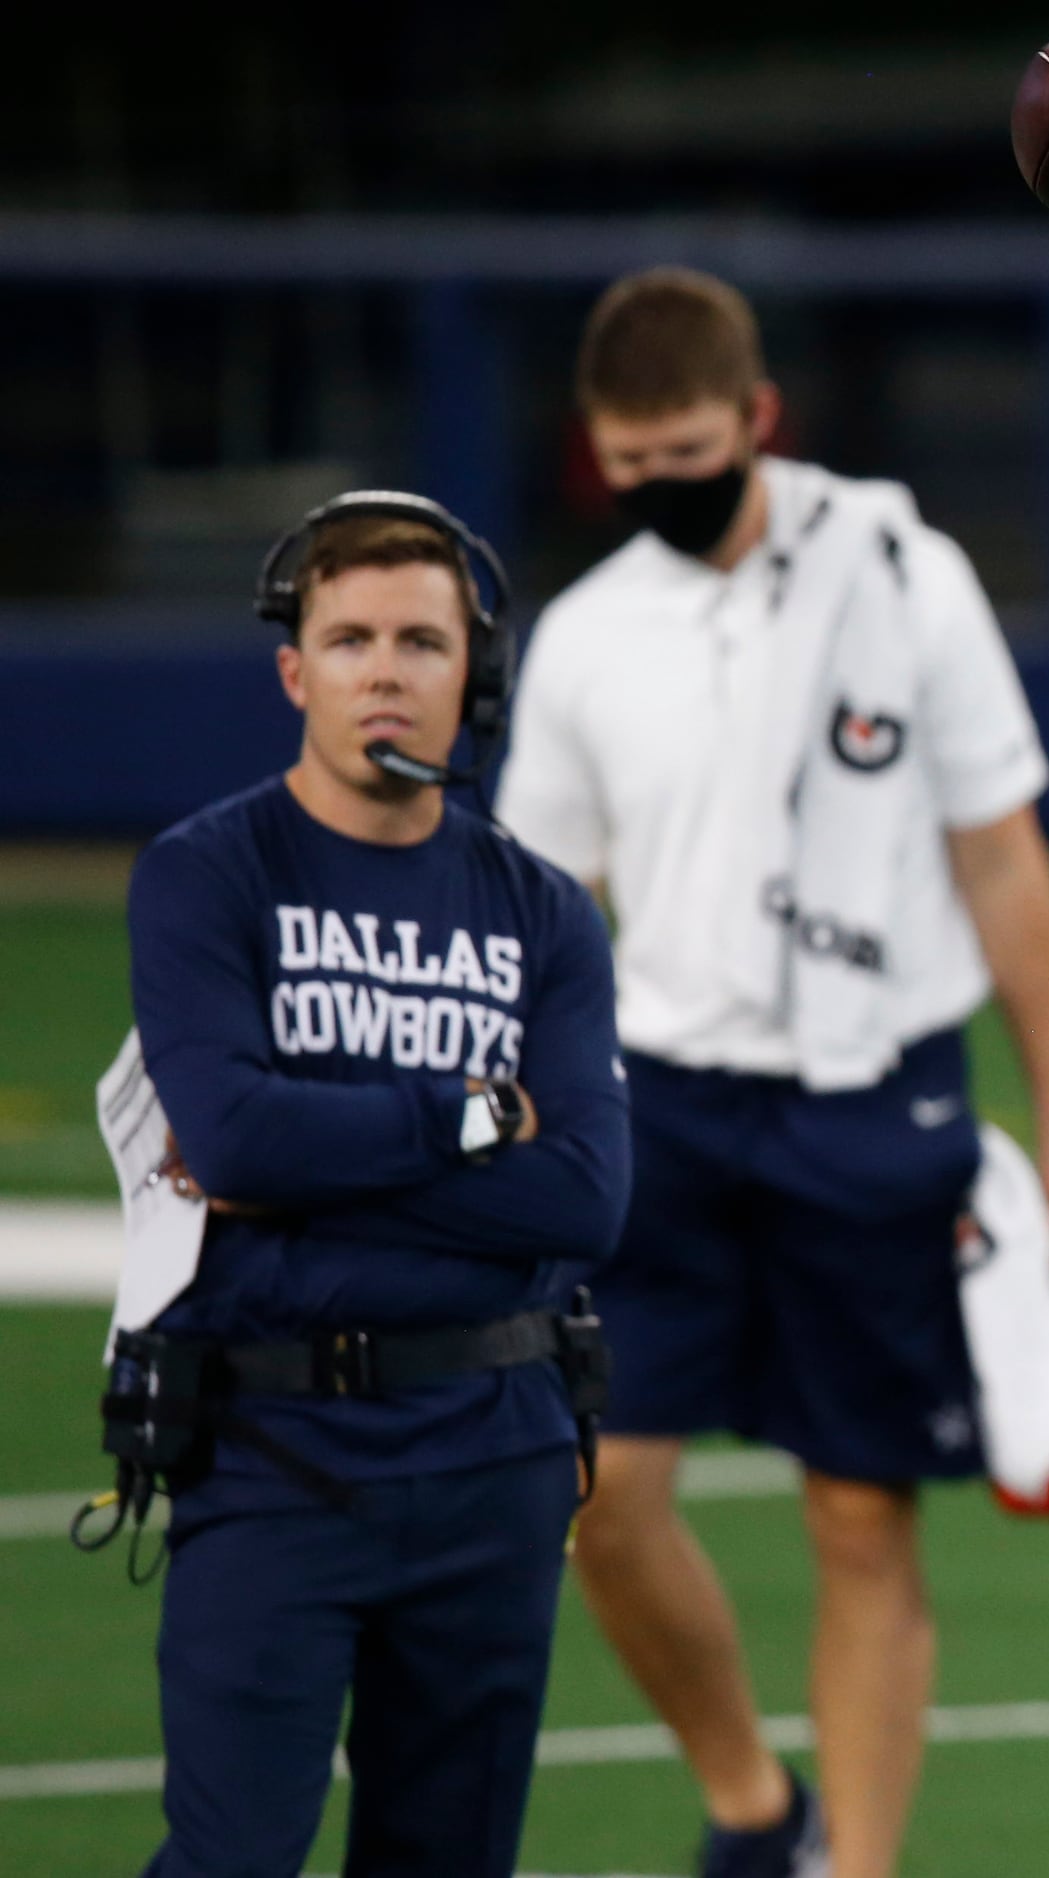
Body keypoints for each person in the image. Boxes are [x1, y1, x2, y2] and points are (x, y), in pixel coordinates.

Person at [496, 266, 1049, 1878]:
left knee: (861, 1514)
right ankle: (752, 1806)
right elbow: (546, 904)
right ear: (596, 452)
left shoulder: (902, 570)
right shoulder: (582, 634)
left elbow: (1002, 858)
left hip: (874, 1094)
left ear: (758, 417)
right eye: (630, 463)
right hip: (660, 1102)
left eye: (691, 448)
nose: (663, 484)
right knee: (600, 1495)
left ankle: (860, 1869)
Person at [116, 493, 631, 1878]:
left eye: (421, 638)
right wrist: (476, 1115)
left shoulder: (544, 911)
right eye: (349, 639)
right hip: (273, 1452)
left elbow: (584, 1198)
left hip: (496, 1452)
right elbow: (232, 1141)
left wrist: (309, 1161)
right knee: (230, 1858)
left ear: (476, 670)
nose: (386, 669)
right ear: (297, 672)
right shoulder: (205, 876)